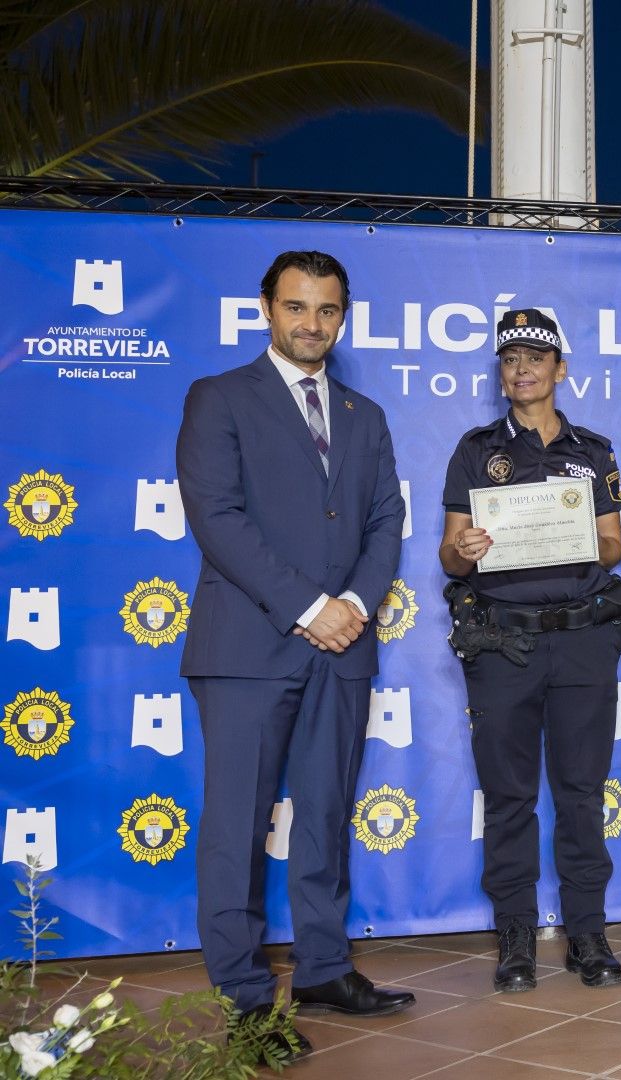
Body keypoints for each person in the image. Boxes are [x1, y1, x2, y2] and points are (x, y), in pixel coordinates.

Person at [176, 250, 412, 1063]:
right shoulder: (219, 399)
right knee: (237, 825)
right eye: (297, 308)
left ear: (343, 316)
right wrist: (312, 607)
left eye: (328, 311)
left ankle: (322, 968)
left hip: (342, 650)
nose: (313, 324)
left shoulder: (364, 413)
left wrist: (352, 607)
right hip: (248, 646)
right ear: (267, 310)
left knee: (323, 817)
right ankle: (245, 999)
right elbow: (217, 516)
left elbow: (385, 522)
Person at [439, 308, 621, 993]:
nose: (521, 369)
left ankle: (588, 931)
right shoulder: (474, 449)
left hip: (582, 641)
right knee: (509, 797)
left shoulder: (595, 450)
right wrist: (461, 551)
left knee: (582, 794)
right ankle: (516, 935)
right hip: (502, 645)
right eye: (511, 359)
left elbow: (614, 545)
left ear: (560, 369)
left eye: (535, 358)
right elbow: (449, 550)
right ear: (502, 372)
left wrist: (575, 529)